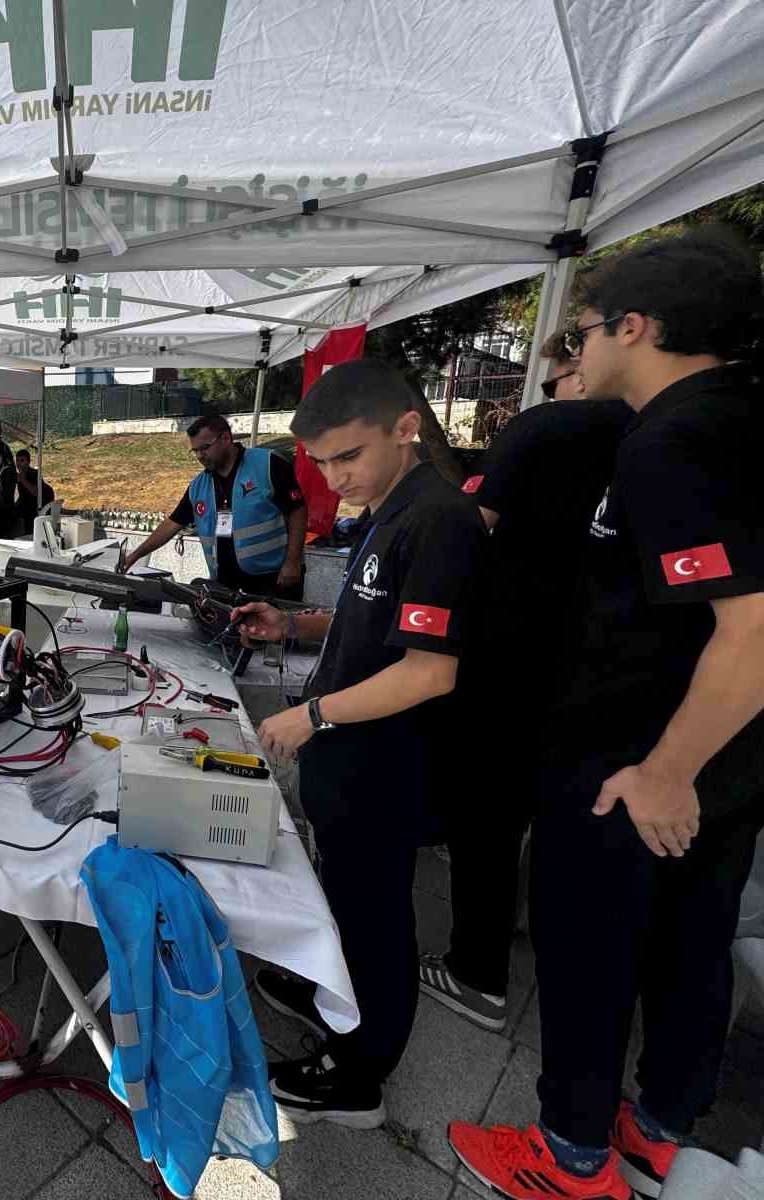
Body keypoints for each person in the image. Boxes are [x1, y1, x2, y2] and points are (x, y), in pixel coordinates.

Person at [449, 233, 764, 1200]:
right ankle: (662, 1128)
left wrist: (664, 769)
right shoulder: (739, 415)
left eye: (583, 329)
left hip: (638, 762)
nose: (573, 350)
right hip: (719, 762)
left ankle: (574, 1157)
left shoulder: (673, 439)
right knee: (690, 952)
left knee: (589, 955)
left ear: (638, 327)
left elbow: (752, 627)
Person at [232, 359, 487, 1128]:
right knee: (342, 898)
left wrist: (309, 719)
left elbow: (429, 673)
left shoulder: (439, 519)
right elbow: (373, 622)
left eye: (348, 456)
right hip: (350, 762)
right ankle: (326, 993)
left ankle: (360, 1074)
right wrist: (297, 625)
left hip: (387, 768)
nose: (334, 476)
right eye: (319, 463)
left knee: (376, 919)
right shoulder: (389, 507)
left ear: (406, 428)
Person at [417, 337, 632, 1034]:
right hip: (597, 676)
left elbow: (462, 532)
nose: (551, 389)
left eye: (553, 378)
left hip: (503, 665)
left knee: (486, 820)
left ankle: (475, 974)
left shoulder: (547, 430)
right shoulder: (650, 435)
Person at [118, 414, 308, 600]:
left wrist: (292, 561)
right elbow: (171, 524)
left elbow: (298, 510)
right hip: (226, 584)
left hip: (274, 580)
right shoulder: (198, 486)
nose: (200, 456)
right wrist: (135, 555)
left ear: (226, 438)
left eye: (205, 448)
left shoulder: (268, 464)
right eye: (195, 451)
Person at [12, 448, 55, 535]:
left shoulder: (34, 474)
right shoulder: (20, 475)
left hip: (35, 509)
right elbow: (22, 496)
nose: (19, 464)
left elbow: (35, 492)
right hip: (26, 507)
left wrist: (23, 480)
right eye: (17, 461)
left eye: (22, 460)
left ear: (28, 462)